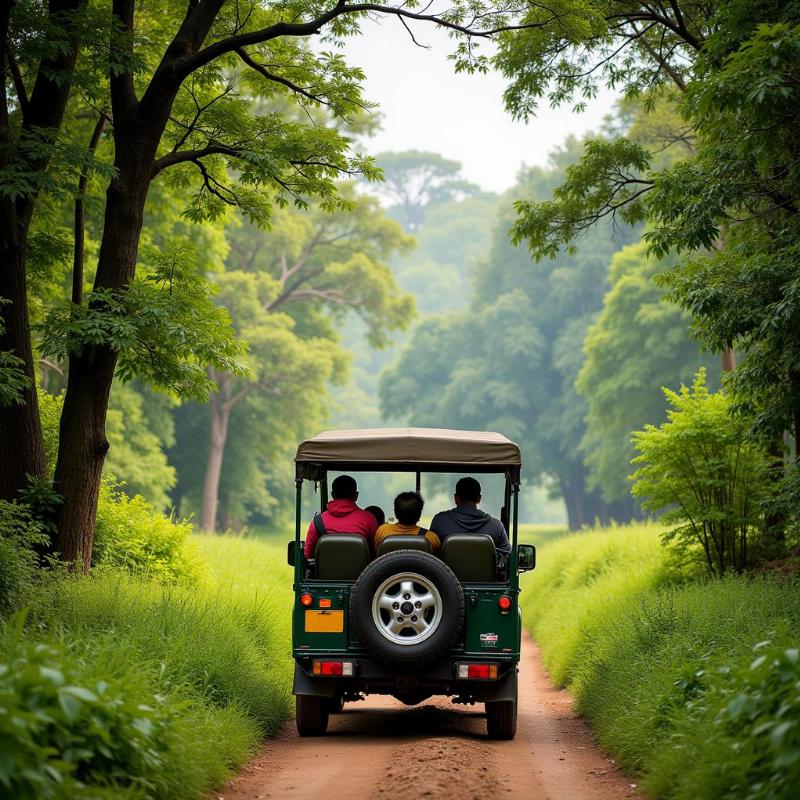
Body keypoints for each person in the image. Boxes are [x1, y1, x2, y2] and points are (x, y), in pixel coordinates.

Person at [430, 477, 511, 560]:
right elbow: (507, 557)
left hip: (445, 573)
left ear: (456, 498)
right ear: (479, 499)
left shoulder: (440, 521)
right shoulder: (496, 526)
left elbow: (430, 554)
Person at [303, 475, 378, 558]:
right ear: (356, 495)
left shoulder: (317, 522)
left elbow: (307, 555)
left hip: (326, 571)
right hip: (363, 571)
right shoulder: (369, 519)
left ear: (332, 495)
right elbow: (375, 553)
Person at [374, 492, 441, 553]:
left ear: (395, 513)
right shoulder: (431, 538)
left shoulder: (382, 531)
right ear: (419, 514)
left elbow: (376, 556)